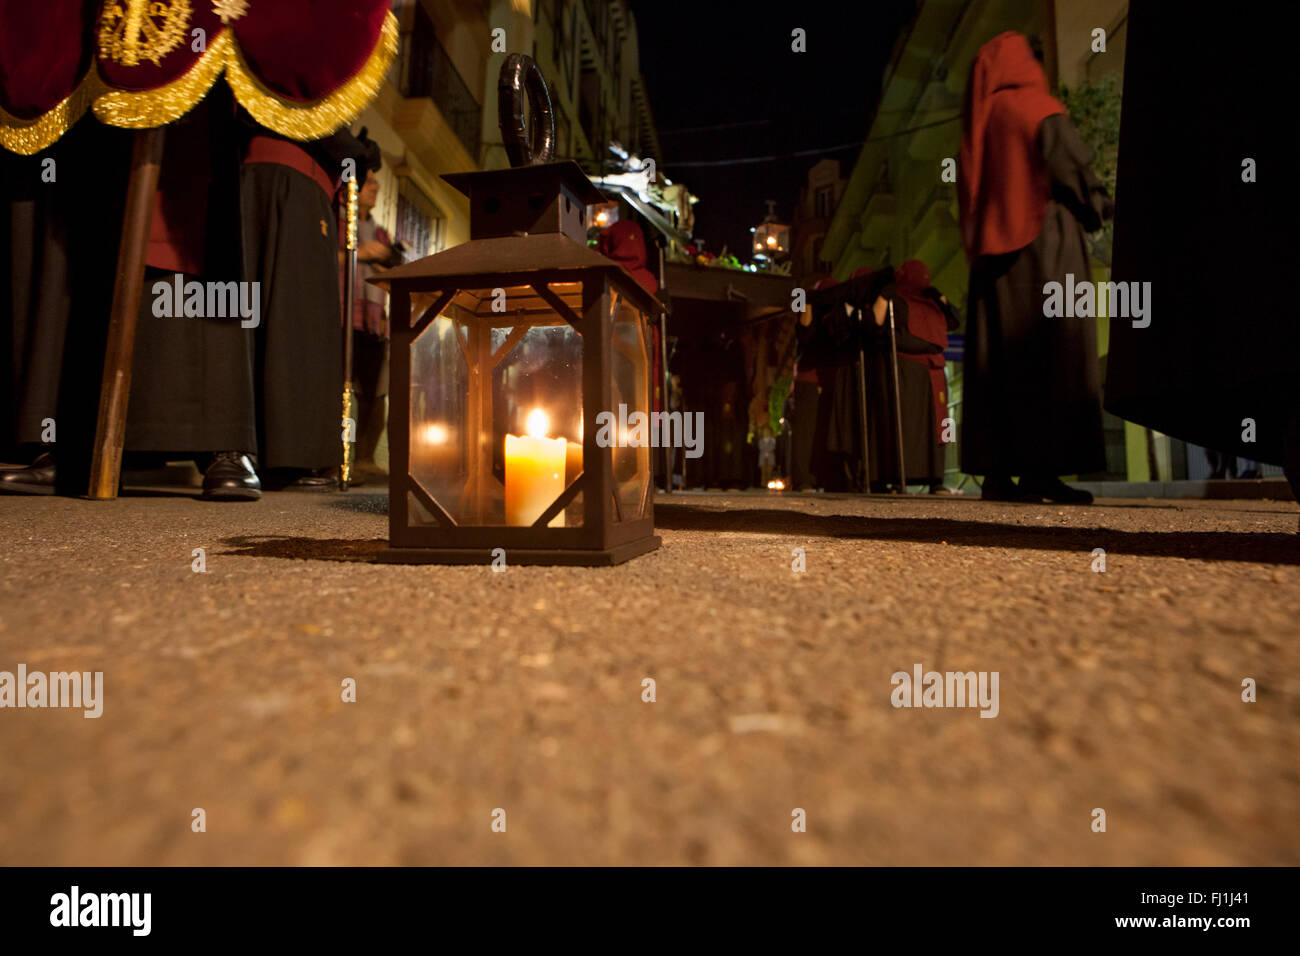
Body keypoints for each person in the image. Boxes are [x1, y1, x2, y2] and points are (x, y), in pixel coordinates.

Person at [957, 31, 1113, 504]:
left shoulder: (984, 119)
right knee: (1051, 360)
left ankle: (1000, 473)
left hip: (993, 265)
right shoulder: (1034, 106)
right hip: (1044, 252)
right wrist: (1101, 206)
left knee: (999, 368)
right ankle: (1042, 473)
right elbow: (1072, 171)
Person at [240, 116, 376, 490]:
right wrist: (357, 153)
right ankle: (286, 454)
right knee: (296, 321)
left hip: (283, 179)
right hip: (296, 181)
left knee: (261, 311)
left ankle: (253, 450)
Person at [862, 260, 961, 494]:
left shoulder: (933, 303)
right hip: (905, 369)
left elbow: (954, 319)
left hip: (933, 372)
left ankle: (935, 478)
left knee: (937, 426)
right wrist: (885, 297)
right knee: (905, 426)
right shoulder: (895, 299)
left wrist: (940, 297)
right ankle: (900, 477)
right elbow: (875, 325)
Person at [341, 163, 403, 481]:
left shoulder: (381, 234)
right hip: (341, 317)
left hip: (375, 321)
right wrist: (360, 253)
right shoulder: (339, 223)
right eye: (368, 182)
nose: (375, 188)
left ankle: (364, 460)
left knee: (375, 394)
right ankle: (332, 459)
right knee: (337, 390)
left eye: (376, 183)